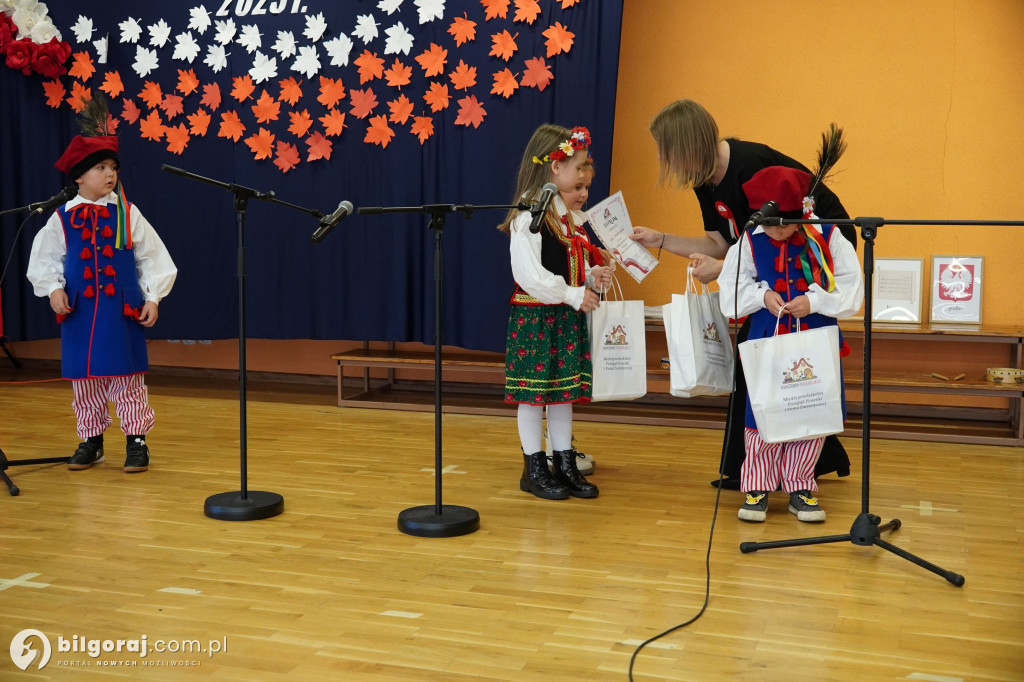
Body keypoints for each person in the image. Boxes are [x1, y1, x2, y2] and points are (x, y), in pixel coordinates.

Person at [629, 99, 857, 488]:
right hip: (770, 267)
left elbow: (790, 233)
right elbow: (721, 243)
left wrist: (733, 274)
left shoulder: (753, 163)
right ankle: (780, 465)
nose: (664, 159)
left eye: (666, 150)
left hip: (811, 258)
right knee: (765, 362)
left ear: (686, 145)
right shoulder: (704, 180)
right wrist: (661, 240)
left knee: (778, 360)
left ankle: (772, 468)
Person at [717, 164, 864, 521]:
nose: (777, 230)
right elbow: (729, 291)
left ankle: (801, 484)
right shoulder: (750, 240)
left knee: (811, 410)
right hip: (768, 338)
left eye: (784, 223)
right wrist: (762, 296)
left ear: (802, 212)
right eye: (770, 223)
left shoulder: (827, 235)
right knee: (761, 411)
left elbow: (853, 289)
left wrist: (815, 302)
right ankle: (757, 485)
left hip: (815, 340)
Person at [27, 133, 177, 473]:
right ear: (79, 176)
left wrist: (153, 296)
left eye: (113, 167)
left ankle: (136, 441)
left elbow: (153, 257)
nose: (110, 174)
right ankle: (91, 441)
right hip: (79, 313)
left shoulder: (126, 213)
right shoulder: (62, 218)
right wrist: (53, 290)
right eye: (100, 167)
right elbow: (45, 260)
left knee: (127, 379)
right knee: (85, 381)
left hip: (120, 311)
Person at [499, 124, 613, 499]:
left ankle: (564, 463)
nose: (582, 175)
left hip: (563, 315)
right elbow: (529, 275)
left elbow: (570, 266)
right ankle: (533, 468)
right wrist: (571, 294)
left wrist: (592, 278)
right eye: (577, 167)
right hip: (536, 318)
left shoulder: (566, 217)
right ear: (554, 167)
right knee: (533, 395)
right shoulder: (529, 215)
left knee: (563, 392)